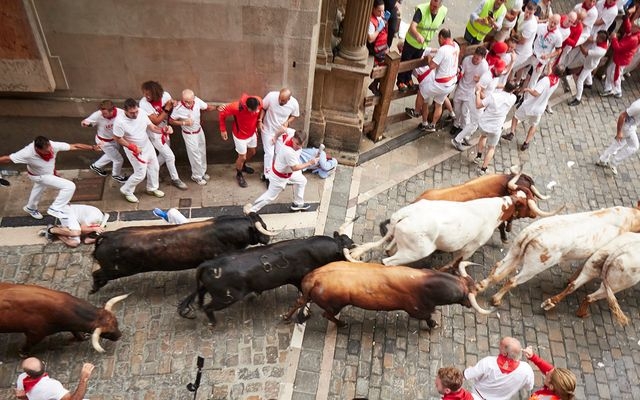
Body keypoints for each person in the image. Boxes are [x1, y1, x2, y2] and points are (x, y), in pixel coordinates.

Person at [0, 136, 98, 220]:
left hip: (47, 174)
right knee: (69, 186)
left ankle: (30, 207)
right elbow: (7, 159)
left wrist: (92, 147)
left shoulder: (53, 145)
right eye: (46, 150)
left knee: (38, 189)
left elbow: (75, 146)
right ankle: (55, 208)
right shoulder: (26, 153)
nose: (49, 151)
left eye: (49, 148)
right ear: (37, 149)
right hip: (39, 176)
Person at [244, 129, 318, 214]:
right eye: (297, 144)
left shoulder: (291, 133)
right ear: (293, 139)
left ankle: (298, 204)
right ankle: (251, 210)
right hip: (279, 177)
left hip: (288, 172)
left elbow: (282, 128)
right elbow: (295, 167)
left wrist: (275, 137)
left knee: (302, 181)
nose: (298, 147)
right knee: (270, 196)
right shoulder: (289, 152)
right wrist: (309, 163)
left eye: (301, 144)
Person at [112, 98, 168, 203]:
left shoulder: (141, 113)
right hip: (134, 150)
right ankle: (126, 190)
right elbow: (117, 138)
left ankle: (152, 188)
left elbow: (152, 127)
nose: (135, 114)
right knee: (140, 174)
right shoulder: (120, 122)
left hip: (147, 145)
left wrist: (163, 130)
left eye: (136, 111)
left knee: (154, 167)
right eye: (132, 113)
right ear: (125, 110)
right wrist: (131, 146)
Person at [405, 28, 460, 133]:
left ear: (441, 37)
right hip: (451, 82)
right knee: (439, 103)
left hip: (440, 83)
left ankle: (416, 112)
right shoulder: (456, 46)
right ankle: (433, 125)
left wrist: (429, 58)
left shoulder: (443, 50)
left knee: (421, 93)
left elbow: (431, 65)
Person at [458, 81, 517, 176]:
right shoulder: (513, 98)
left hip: (484, 124)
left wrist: (478, 93)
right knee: (491, 148)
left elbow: (479, 105)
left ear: (504, 86)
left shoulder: (494, 96)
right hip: (496, 127)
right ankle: (483, 168)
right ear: (513, 90)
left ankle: (478, 156)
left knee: (483, 137)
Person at [139, 80, 188, 190]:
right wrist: (167, 108)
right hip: (154, 132)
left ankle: (150, 170)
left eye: (148, 94)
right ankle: (175, 179)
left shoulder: (165, 95)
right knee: (170, 156)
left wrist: (174, 104)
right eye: (144, 93)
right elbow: (155, 121)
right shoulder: (143, 104)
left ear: (156, 93)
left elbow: (171, 108)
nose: (146, 96)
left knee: (164, 155)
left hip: (166, 128)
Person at [503, 65, 565, 150]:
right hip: (540, 108)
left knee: (516, 116)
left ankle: (512, 132)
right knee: (534, 125)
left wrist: (528, 90)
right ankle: (526, 142)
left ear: (554, 70)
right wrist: (549, 65)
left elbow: (536, 93)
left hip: (531, 105)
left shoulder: (545, 81)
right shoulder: (556, 81)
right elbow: (551, 73)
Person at [396, 0, 448, 91]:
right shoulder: (421, 10)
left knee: (414, 63)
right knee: (405, 62)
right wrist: (417, 35)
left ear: (440, 5)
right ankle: (400, 81)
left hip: (423, 45)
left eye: (435, 6)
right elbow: (412, 26)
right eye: (431, 4)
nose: (432, 7)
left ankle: (408, 79)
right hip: (412, 42)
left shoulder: (443, 11)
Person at [464, 336, 535, 400]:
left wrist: (470, 369)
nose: (499, 345)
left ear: (505, 353)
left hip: (477, 396)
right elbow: (529, 387)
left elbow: (467, 374)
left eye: (501, 345)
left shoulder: (488, 363)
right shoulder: (527, 370)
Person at [169, 89, 216, 186]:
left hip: (199, 131)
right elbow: (171, 121)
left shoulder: (197, 101)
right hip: (189, 133)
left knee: (202, 152)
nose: (187, 104)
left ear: (193, 99)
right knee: (195, 156)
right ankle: (196, 176)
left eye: (189, 101)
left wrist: (218, 107)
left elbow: (207, 107)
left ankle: (202, 172)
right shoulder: (178, 108)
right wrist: (184, 122)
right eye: (185, 101)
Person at [218, 93, 263, 188]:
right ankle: (239, 174)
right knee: (242, 157)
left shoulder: (259, 102)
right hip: (240, 135)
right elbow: (222, 113)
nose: (254, 112)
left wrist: (259, 121)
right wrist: (223, 129)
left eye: (256, 110)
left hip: (252, 133)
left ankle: (243, 166)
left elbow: (262, 110)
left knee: (252, 152)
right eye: (252, 110)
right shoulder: (236, 107)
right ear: (246, 106)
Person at [259, 88, 300, 183]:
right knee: (269, 154)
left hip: (280, 132)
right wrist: (260, 120)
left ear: (289, 99)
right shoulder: (271, 96)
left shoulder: (294, 103)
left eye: (283, 101)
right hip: (268, 129)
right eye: (279, 99)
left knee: (279, 153)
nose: (280, 101)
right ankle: (267, 176)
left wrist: (287, 122)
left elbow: (295, 115)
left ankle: (276, 173)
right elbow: (263, 108)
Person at [81, 100, 128, 183]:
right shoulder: (97, 115)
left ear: (112, 110)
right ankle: (116, 175)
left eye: (105, 113)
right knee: (118, 159)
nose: (103, 115)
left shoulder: (121, 113)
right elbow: (84, 122)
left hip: (115, 140)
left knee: (111, 155)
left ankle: (96, 166)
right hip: (104, 142)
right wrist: (85, 123)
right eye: (102, 113)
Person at [450, 46, 489, 136]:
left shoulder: (484, 67)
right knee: (457, 108)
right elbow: (462, 71)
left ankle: (463, 127)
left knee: (465, 111)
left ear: (482, 58)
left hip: (471, 91)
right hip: (462, 87)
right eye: (474, 57)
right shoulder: (467, 60)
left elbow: (484, 82)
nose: (475, 60)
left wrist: (478, 80)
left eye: (477, 59)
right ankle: (456, 123)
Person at [15, 357, 95, 400]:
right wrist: (84, 378)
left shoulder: (21, 378)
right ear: (43, 363)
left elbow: (23, 396)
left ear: (28, 374)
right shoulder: (52, 387)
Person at [595, 98, 640, 175]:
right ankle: (615, 162)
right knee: (634, 146)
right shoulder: (637, 106)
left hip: (631, 125)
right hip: (628, 127)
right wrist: (619, 132)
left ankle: (603, 159)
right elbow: (622, 116)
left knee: (619, 143)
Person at [601, 12, 640, 98]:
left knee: (614, 74)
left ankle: (616, 90)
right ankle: (610, 88)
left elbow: (618, 47)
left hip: (621, 59)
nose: (632, 25)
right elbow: (628, 29)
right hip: (621, 58)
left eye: (635, 25)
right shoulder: (634, 33)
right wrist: (626, 20)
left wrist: (614, 38)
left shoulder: (634, 39)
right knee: (611, 71)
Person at [567, 30, 609, 106]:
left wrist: (580, 43)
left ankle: (578, 98)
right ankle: (589, 83)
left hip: (590, 64)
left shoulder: (600, 51)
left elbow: (585, 52)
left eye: (598, 37)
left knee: (580, 80)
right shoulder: (604, 42)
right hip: (590, 62)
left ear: (602, 40)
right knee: (588, 72)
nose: (596, 37)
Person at [40, 204, 109, 247]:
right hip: (67, 213)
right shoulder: (95, 218)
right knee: (76, 233)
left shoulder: (98, 224)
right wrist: (93, 230)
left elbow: (86, 241)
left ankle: (56, 232)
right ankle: (51, 229)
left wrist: (97, 238)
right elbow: (82, 229)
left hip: (76, 219)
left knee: (74, 243)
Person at [367, 0, 391, 95]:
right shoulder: (371, 22)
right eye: (379, 11)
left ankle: (375, 85)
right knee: (382, 69)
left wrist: (385, 21)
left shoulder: (380, 17)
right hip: (377, 50)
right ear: (373, 9)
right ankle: (374, 85)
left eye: (383, 11)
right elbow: (370, 39)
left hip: (383, 47)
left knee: (386, 68)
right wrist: (378, 29)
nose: (381, 14)